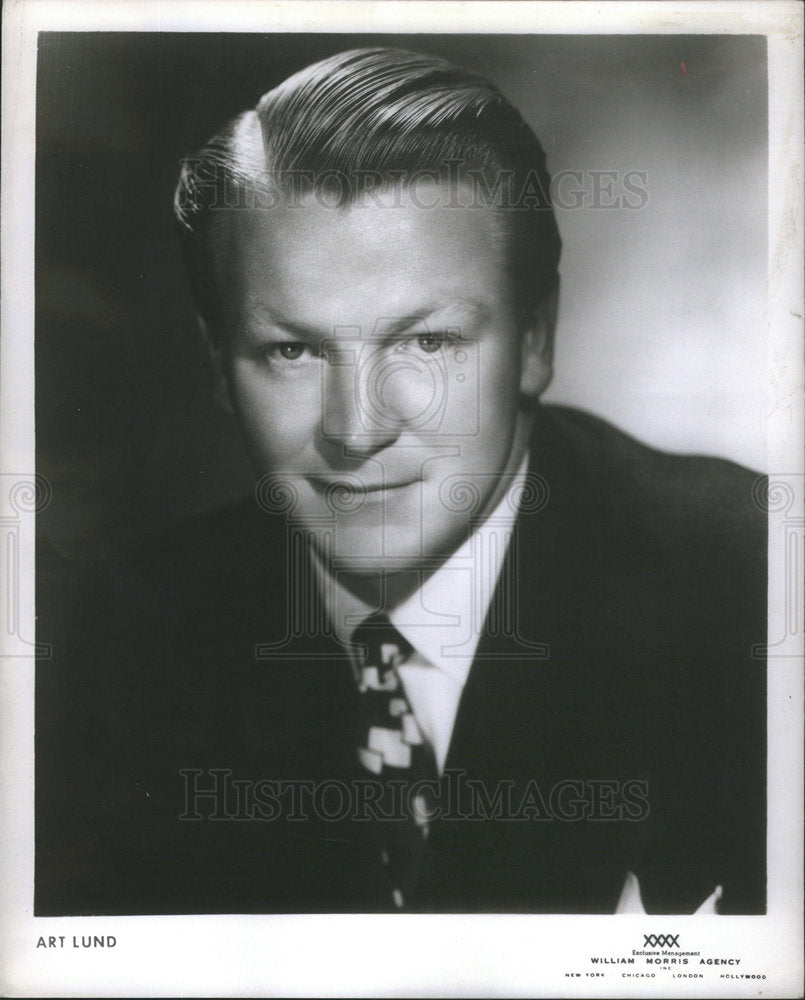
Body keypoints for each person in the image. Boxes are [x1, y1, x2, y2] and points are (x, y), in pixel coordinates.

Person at [36, 47, 766, 916]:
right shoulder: (139, 625)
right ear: (218, 365)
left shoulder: (747, 583)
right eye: (292, 350)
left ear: (535, 339)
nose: (356, 429)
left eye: (426, 343)